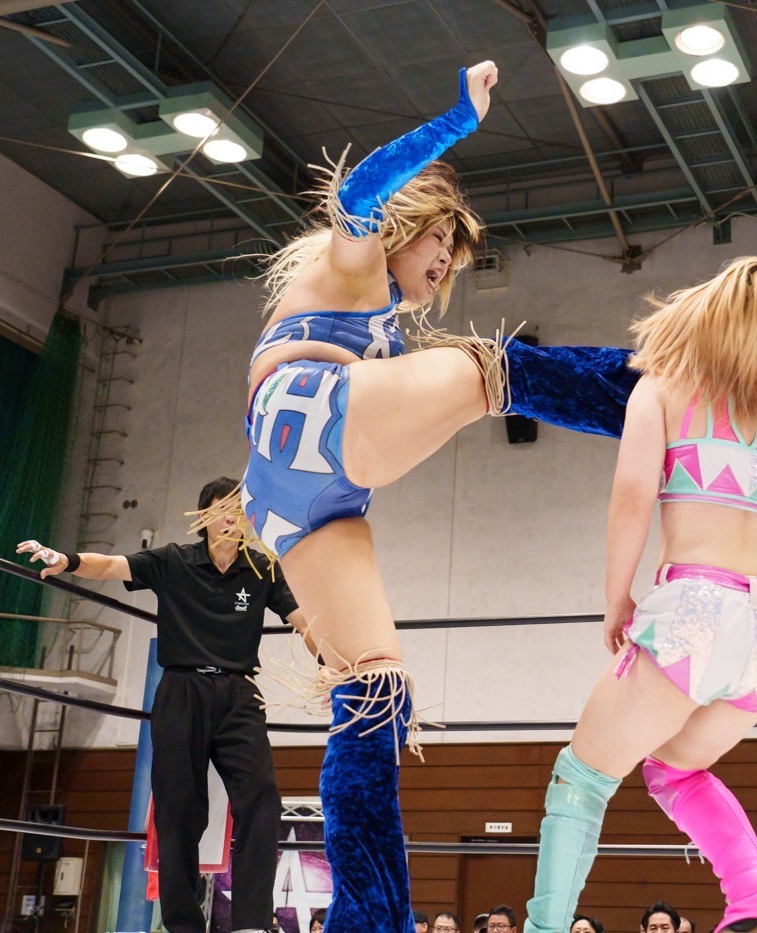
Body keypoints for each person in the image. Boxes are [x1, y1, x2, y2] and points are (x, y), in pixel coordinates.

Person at [201, 58, 640, 933]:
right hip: (312, 423)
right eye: (440, 241)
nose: (445, 263)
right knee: (486, 369)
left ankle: (368, 917)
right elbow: (357, 188)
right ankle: (650, 395)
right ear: (406, 221)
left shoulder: (376, 313)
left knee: (375, 691)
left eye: (453, 253)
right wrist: (455, 122)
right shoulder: (354, 263)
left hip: (298, 496)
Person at [523, 258, 757, 933]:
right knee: (674, 768)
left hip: (698, 610)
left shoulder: (662, 390)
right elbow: (756, 511)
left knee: (581, 778)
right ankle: (754, 887)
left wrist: (617, 599)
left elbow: (633, 499)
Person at [17, 476, 305, 933]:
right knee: (178, 811)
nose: (231, 517)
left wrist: (343, 662)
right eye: (222, 508)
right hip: (180, 691)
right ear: (203, 517)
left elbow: (303, 618)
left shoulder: (262, 569)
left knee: (263, 799)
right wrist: (64, 559)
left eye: (238, 508)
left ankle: (251, 923)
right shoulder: (174, 560)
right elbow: (112, 566)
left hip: (238, 695)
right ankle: (184, 925)